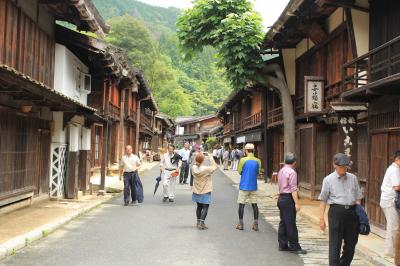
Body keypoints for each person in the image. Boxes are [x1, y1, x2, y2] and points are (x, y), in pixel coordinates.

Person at [319, 153, 363, 266]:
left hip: (352, 213)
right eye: (341, 166)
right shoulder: (328, 180)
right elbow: (323, 200)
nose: (344, 169)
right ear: (334, 165)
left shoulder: (353, 178)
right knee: (335, 244)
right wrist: (321, 219)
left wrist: (359, 214)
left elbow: (358, 197)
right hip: (336, 212)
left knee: (351, 244)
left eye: (345, 166)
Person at [277, 153, 307, 254]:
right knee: (290, 223)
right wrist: (297, 203)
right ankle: (295, 246)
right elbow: (294, 190)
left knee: (283, 222)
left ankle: (283, 244)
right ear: (294, 162)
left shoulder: (281, 170)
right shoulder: (292, 172)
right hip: (288, 198)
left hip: (281, 198)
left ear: (285, 161)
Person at [236, 143, 261, 231]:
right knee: (254, 205)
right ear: (253, 150)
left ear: (246, 150)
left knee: (241, 205)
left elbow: (239, 171)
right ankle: (256, 224)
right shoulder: (258, 160)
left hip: (244, 186)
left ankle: (241, 224)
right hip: (253, 186)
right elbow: (258, 172)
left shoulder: (243, 160)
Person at [380, 151, 400, 258]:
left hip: (388, 200)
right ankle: (389, 252)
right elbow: (397, 186)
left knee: (393, 226)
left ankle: (390, 251)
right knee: (393, 227)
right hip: (390, 201)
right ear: (397, 159)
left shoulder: (393, 169)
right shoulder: (394, 170)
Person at [191, 153, 218, 230]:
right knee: (205, 207)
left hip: (196, 189)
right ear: (203, 160)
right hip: (205, 189)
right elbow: (214, 167)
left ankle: (198, 222)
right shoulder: (206, 169)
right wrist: (210, 157)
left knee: (199, 207)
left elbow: (194, 163)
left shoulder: (193, 168)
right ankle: (202, 223)